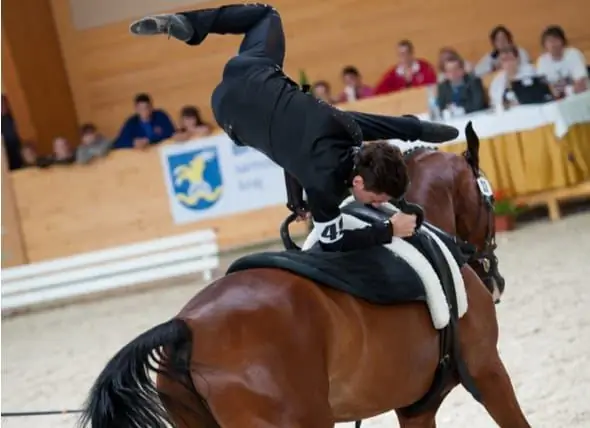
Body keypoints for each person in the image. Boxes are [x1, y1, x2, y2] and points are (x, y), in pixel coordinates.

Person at [130, 4, 459, 252]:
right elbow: (333, 241)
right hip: (229, 114)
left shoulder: (345, 127)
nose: (375, 204)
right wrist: (388, 229)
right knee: (288, 141)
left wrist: (429, 131)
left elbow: (389, 125)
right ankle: (188, 26)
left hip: (250, 73)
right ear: (357, 181)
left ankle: (190, 24)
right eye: (375, 199)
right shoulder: (325, 190)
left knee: (266, 15)